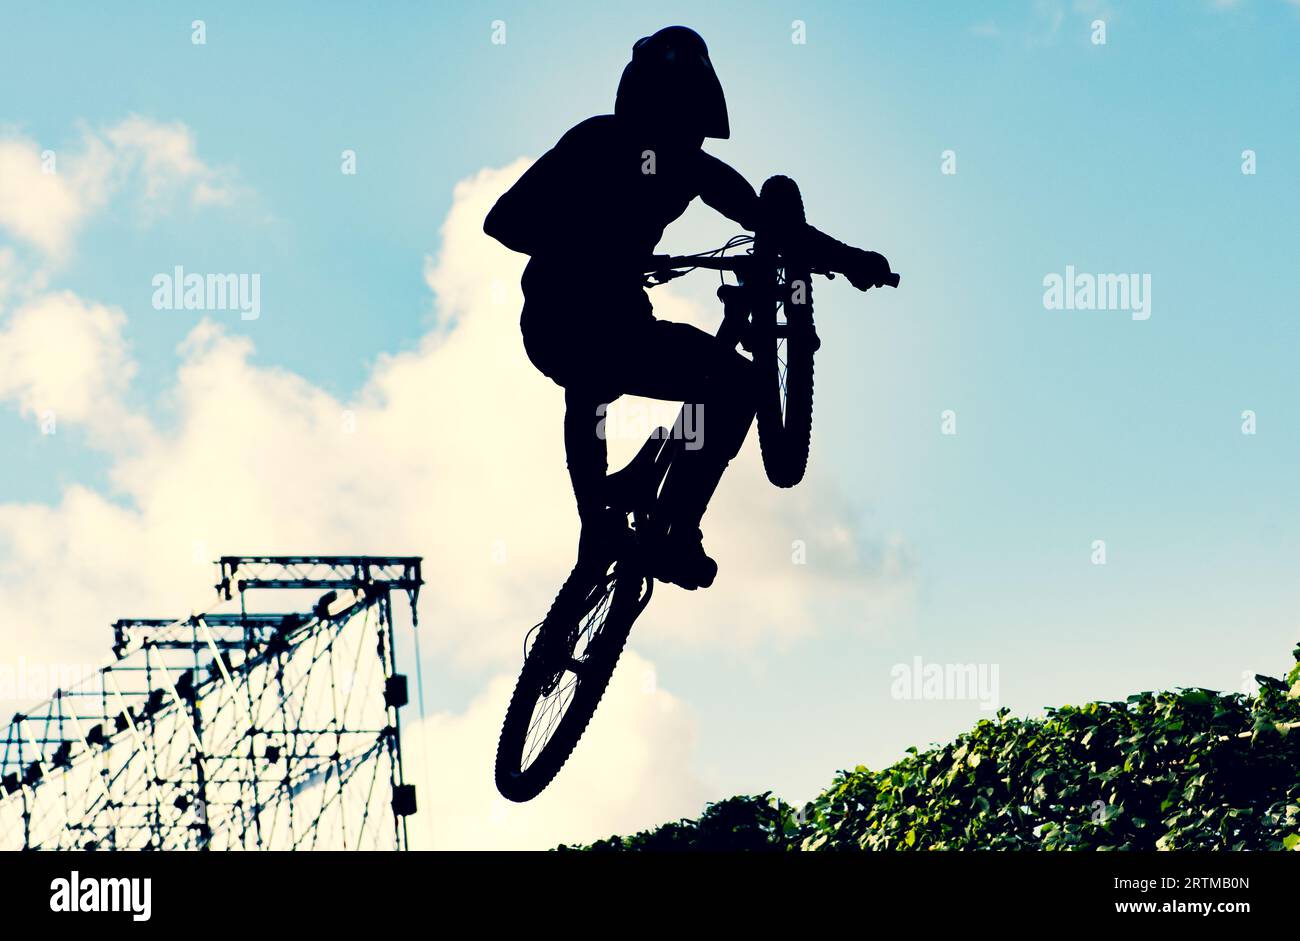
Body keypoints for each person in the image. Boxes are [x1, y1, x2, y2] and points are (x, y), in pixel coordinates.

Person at [485, 26, 893, 590]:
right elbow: (503, 221)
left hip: (628, 325)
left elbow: (772, 224)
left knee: (737, 384)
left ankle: (675, 524)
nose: (684, 136)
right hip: (562, 320)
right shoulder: (593, 143)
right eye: (675, 116)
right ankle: (595, 522)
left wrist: (849, 259)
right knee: (591, 373)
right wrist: (587, 247)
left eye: (691, 122)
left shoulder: (693, 168)